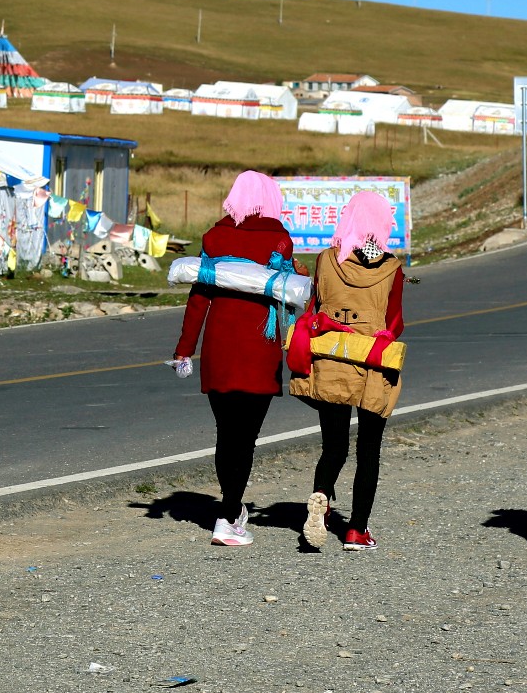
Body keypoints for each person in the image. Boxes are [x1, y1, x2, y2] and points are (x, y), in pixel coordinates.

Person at [171, 170, 295, 547]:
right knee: (246, 437)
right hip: (260, 350)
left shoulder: (214, 236)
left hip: (219, 350)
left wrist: (183, 350)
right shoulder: (279, 239)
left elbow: (198, 299)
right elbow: (287, 298)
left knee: (227, 434)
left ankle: (232, 510)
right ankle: (228, 516)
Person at [290, 191, 406, 553]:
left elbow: (314, 305)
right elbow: (395, 321)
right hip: (372, 360)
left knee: (334, 445)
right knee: (369, 449)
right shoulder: (391, 267)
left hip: (331, 358)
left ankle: (322, 497)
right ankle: (356, 530)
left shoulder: (325, 260)